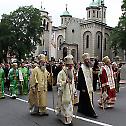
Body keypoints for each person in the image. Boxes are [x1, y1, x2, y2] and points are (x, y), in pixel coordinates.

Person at [56, 54, 77, 126]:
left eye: (72, 65)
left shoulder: (71, 72)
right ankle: (65, 120)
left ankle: (69, 120)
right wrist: (65, 82)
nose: (71, 66)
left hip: (70, 92)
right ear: (66, 65)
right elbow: (58, 83)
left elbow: (73, 83)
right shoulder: (61, 73)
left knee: (70, 106)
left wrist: (74, 91)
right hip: (64, 92)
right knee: (64, 107)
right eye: (69, 65)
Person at [77, 53, 97, 118]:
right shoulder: (81, 68)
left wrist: (93, 85)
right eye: (87, 60)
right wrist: (82, 87)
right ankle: (91, 112)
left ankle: (81, 109)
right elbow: (80, 78)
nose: (88, 61)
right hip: (85, 86)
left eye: (89, 59)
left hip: (89, 85)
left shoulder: (90, 68)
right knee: (87, 99)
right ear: (84, 61)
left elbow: (92, 77)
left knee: (83, 99)